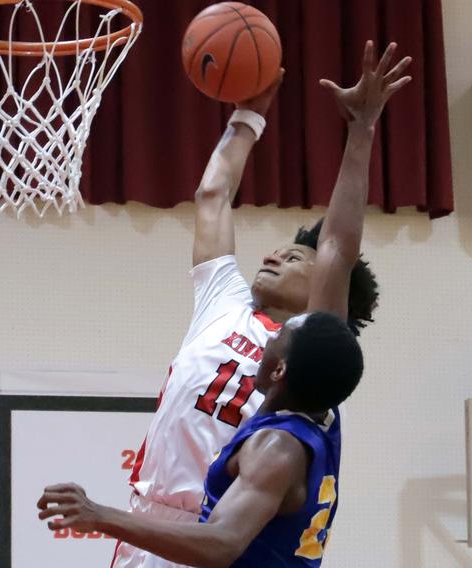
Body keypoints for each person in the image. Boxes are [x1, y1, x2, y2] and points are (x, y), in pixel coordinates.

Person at [115, 41, 411, 567]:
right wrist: (248, 116)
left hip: (218, 529)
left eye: (297, 257)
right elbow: (213, 195)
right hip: (148, 519)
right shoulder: (223, 299)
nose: (274, 255)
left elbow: (339, 246)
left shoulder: (308, 343)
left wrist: (360, 130)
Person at [38, 311, 363, 567]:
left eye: (278, 336)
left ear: (279, 370)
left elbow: (221, 542)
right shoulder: (325, 418)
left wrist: (100, 515)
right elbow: (336, 245)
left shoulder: (276, 448)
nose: (268, 338)